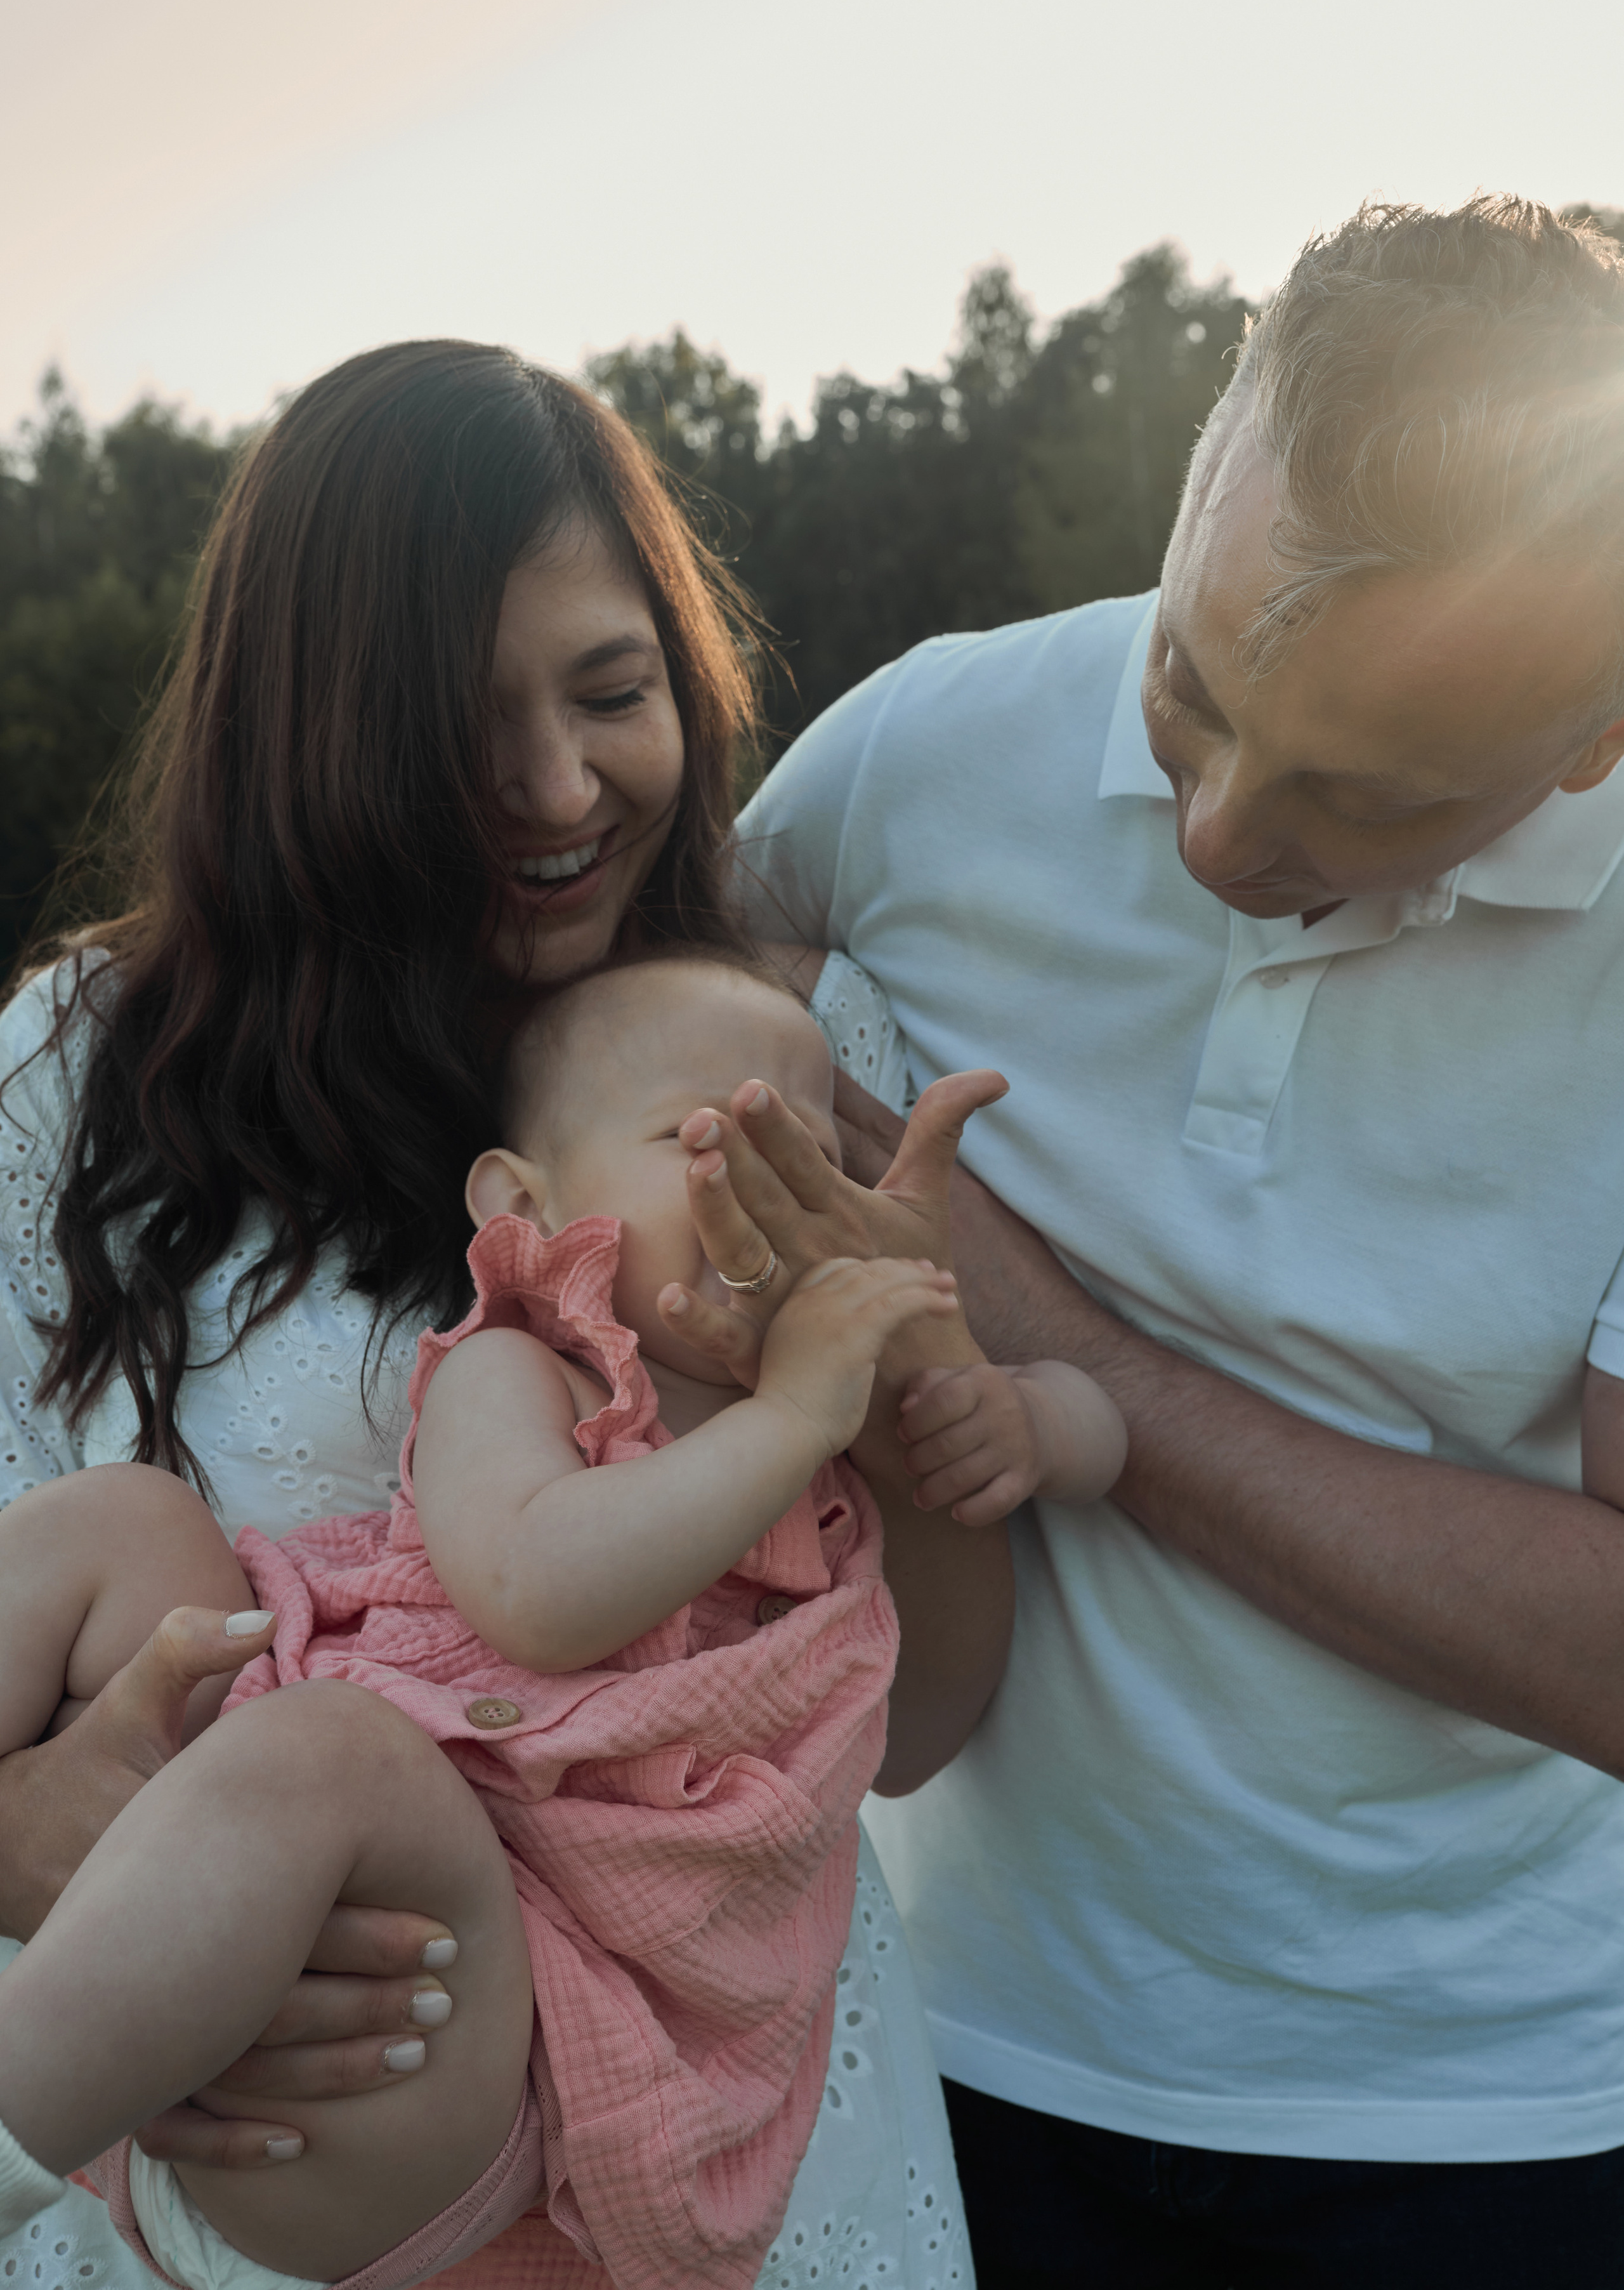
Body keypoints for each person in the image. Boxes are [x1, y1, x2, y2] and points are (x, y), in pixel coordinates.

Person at [0, 342, 996, 2290]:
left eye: (613, 690)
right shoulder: (73, 1072)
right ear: (308, 738)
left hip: (659, 2074)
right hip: (176, 2134)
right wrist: (30, 1839)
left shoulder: (779, 1045)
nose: (554, 788)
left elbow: (921, 1719)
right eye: (456, 729)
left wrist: (879, 1383)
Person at [724, 197, 1624, 2286]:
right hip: (933, 2043)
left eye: (1369, 794)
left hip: (1495, 2122)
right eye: (1188, 688)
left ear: (1595, 736)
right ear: (1211, 432)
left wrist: (1065, 1356)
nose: (1223, 826)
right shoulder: (909, 758)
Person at [0, 948, 1130, 2289]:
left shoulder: (831, 1431)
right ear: (524, 1203)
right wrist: (794, 1417)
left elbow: (1089, 1429)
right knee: (126, 1520)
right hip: (246, 1902)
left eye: (808, 1152)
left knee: (329, 1755)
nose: (754, 1190)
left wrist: (1000, 1410)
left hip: (491, 2042)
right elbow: (537, 1592)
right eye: (696, 1139)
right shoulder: (517, 1367)